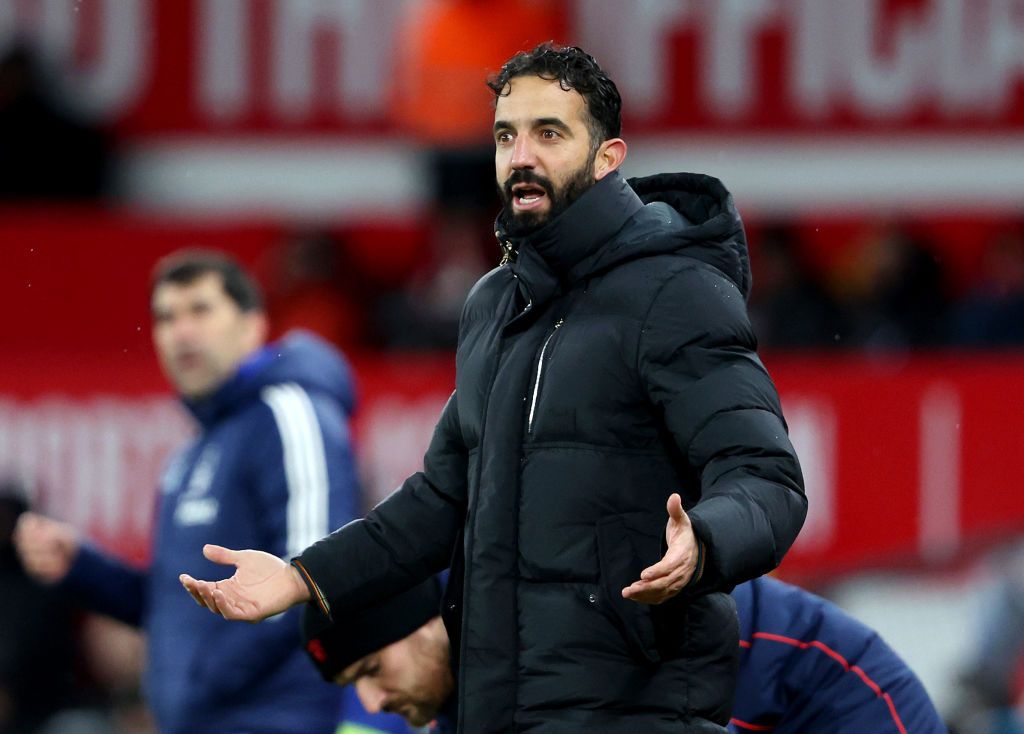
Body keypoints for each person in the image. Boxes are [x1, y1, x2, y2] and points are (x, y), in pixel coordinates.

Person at [181, 43, 808, 733]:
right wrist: (304, 579)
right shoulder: (491, 306)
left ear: (608, 157)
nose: (521, 156)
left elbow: (766, 476)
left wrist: (707, 543)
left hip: (638, 713)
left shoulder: (677, 292)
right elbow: (440, 501)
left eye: (550, 133)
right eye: (507, 135)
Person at [15, 251, 361, 734]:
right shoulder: (190, 455)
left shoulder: (290, 415)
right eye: (165, 317)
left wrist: (203, 681)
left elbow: (319, 575)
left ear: (252, 325)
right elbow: (171, 605)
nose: (181, 332)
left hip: (275, 719)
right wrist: (80, 567)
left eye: (200, 310)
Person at [305, 577, 945, 734]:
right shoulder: (468, 701)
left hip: (838, 706)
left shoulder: (540, 617)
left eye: (369, 670)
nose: (371, 702)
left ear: (425, 626)